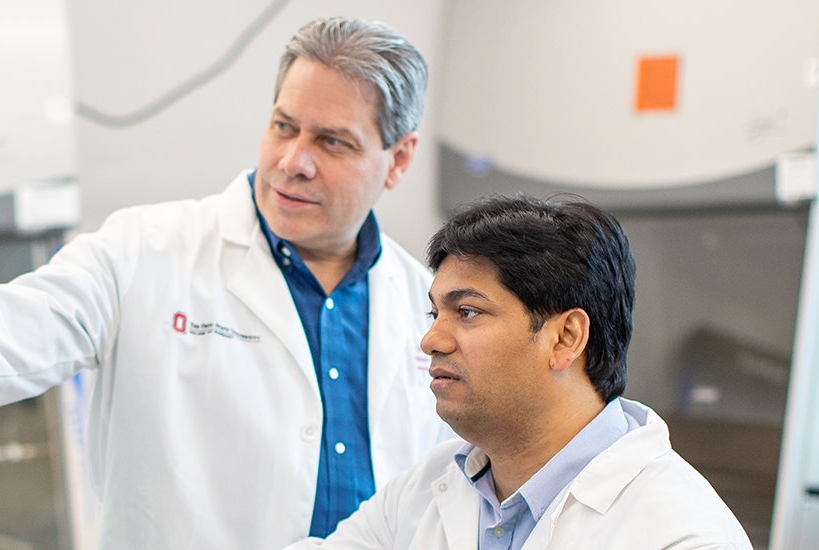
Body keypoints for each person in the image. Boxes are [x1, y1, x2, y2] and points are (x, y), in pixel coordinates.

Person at [0, 17, 454, 550]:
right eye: (284, 126)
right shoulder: (147, 250)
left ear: (398, 158)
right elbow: (19, 322)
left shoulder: (424, 302)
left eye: (332, 142)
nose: (293, 161)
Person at [289, 196, 752, 550]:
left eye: (467, 312)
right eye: (435, 314)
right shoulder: (426, 488)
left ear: (566, 337)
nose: (432, 340)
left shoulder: (681, 534)